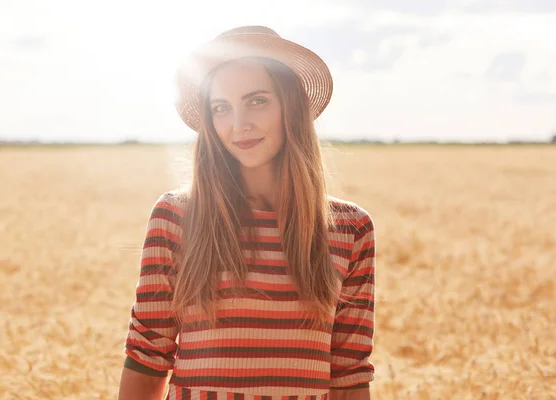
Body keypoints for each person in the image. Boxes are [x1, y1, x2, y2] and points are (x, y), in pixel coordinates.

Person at [118, 26, 376, 400]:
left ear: (292, 106)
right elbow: (147, 357)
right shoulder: (176, 217)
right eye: (221, 108)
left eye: (256, 101)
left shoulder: (350, 229)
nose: (239, 125)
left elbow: (350, 373)